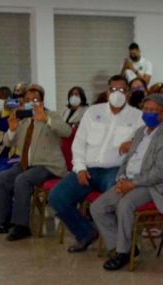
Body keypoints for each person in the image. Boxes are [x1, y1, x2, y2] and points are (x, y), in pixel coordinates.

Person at [51, 75, 143, 254]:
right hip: (87, 169)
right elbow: (78, 143)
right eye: (113, 89)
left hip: (115, 171)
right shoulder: (93, 112)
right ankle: (85, 233)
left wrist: (134, 144)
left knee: (114, 199)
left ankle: (120, 246)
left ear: (128, 94)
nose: (117, 93)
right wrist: (80, 168)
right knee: (57, 197)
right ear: (107, 92)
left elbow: (146, 145)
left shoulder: (138, 117)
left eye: (122, 90)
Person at [90, 95, 163, 271]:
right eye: (146, 109)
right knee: (97, 207)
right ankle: (119, 246)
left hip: (152, 187)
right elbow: (128, 159)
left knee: (125, 205)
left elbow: (159, 173)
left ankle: (122, 253)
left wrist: (133, 184)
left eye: (153, 111)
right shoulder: (140, 132)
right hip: (129, 181)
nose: (148, 114)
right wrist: (121, 177)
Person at [0, 85, 71, 241]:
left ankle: (21, 226)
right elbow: (7, 143)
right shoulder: (24, 120)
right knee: (1, 178)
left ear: (42, 101)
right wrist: (12, 130)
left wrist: (47, 119)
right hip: (27, 164)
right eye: (27, 100)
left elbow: (67, 131)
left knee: (22, 180)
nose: (31, 103)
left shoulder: (51, 115)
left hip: (48, 165)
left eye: (35, 99)